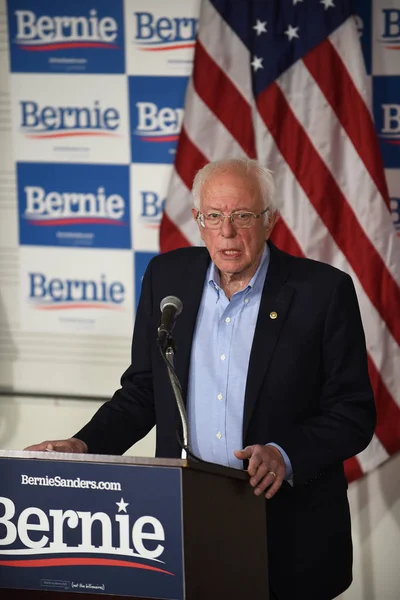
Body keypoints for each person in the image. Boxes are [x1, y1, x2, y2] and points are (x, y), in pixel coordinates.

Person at [26, 158, 376, 600]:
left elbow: (353, 413)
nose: (227, 232)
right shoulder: (167, 278)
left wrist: (285, 454)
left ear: (270, 221)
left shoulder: (321, 292)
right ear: (198, 220)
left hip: (287, 532)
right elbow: (143, 391)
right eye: (214, 216)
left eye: (243, 216)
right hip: (184, 525)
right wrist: (85, 443)